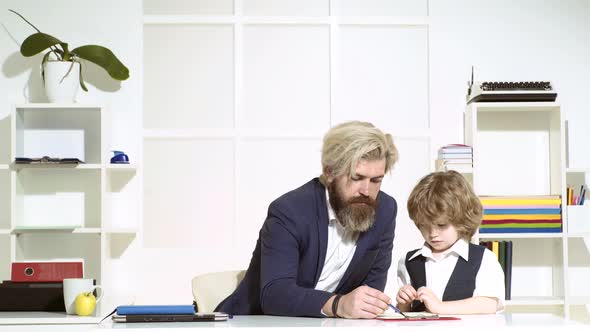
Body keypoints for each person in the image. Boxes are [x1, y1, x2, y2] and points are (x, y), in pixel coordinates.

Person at [215, 121, 399, 318]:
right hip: (250, 323)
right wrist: (339, 304)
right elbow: (275, 295)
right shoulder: (289, 211)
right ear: (330, 173)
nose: (366, 191)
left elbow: (371, 294)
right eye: (356, 178)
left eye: (376, 181)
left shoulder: (385, 210)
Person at [396, 170, 505, 314]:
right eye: (424, 225)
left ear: (462, 220)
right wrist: (404, 303)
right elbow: (406, 313)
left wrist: (440, 307)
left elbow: (488, 305)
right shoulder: (409, 261)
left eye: (441, 225)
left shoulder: (484, 258)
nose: (432, 234)